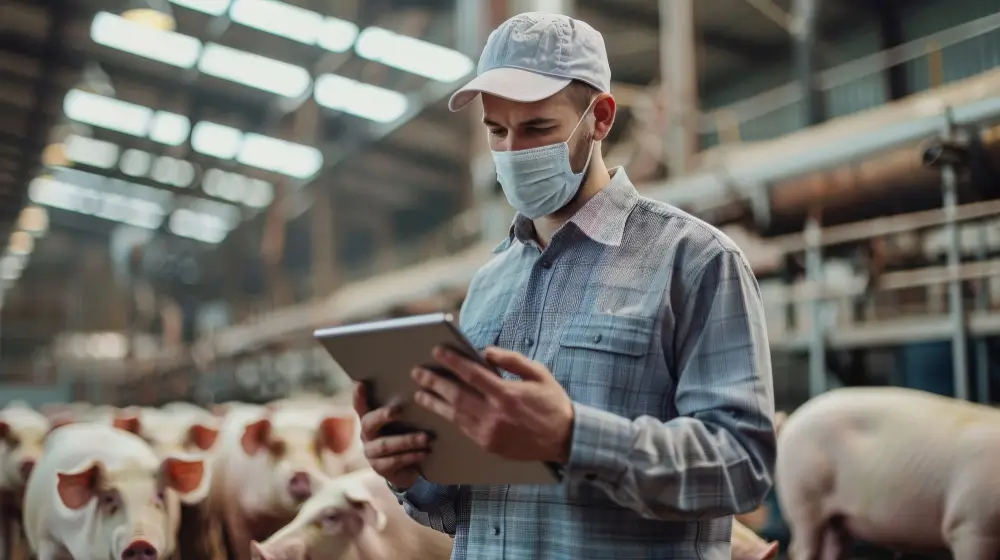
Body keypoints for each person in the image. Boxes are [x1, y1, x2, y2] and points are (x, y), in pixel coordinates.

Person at [352, 11, 777, 559]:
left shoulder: (694, 261)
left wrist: (574, 437)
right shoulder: (489, 282)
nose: (511, 152)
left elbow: (743, 467)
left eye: (537, 129)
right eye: (497, 131)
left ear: (600, 118)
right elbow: (462, 510)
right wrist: (410, 474)